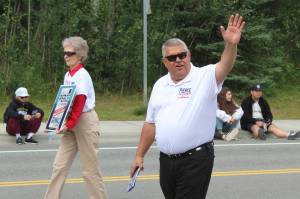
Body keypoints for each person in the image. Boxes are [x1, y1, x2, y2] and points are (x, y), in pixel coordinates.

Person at [130, 14, 245, 199]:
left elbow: (225, 64)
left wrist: (231, 45)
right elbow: (150, 124)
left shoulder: (205, 76)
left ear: (189, 55)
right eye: (172, 57)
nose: (178, 60)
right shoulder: (160, 85)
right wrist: (139, 155)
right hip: (167, 161)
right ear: (165, 62)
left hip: (196, 159)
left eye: (182, 55)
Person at [44, 36, 108, 199]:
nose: (65, 56)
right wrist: (56, 121)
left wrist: (69, 124)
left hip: (85, 121)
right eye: (64, 53)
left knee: (89, 170)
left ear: (79, 55)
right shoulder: (69, 75)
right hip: (71, 120)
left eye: (69, 53)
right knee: (59, 166)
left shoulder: (82, 75)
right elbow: (64, 101)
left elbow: (80, 101)